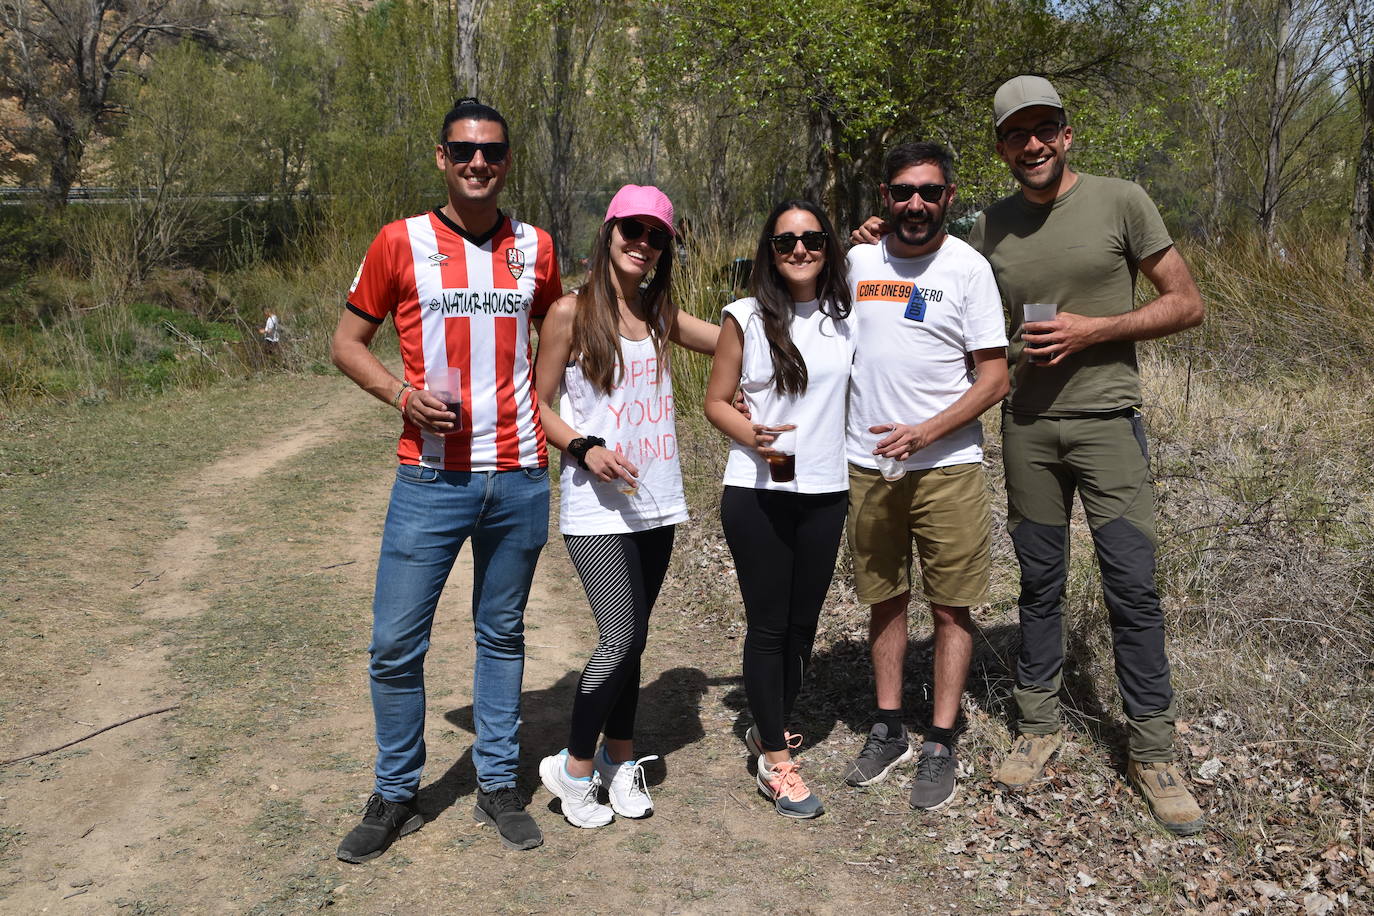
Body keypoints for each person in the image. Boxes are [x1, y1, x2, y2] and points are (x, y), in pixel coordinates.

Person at [855, 76, 1207, 833]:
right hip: (1026, 426)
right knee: (1039, 582)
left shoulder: (1121, 200)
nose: (1033, 144)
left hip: (1108, 422)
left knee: (1132, 584)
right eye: (1017, 134)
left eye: (1045, 128)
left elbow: (1188, 303)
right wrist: (870, 240)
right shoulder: (991, 225)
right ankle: (1038, 727)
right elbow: (928, 257)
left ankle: (1152, 748)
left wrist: (1093, 330)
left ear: (1067, 133)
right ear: (1001, 147)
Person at [330, 97, 562, 861]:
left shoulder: (538, 246)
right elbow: (346, 342)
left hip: (521, 477)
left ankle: (497, 783)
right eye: (463, 151)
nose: (477, 164)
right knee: (395, 646)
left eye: (491, 151)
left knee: (501, 635)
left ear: (507, 159)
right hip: (430, 483)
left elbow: (559, 331)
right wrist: (399, 394)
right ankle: (396, 792)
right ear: (441, 157)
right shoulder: (400, 242)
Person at [532, 185, 717, 828]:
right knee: (623, 636)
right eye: (631, 230)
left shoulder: (662, 313)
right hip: (596, 508)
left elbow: (733, 341)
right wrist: (583, 447)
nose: (642, 243)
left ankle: (619, 759)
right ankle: (573, 769)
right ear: (609, 232)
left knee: (633, 645)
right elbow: (536, 405)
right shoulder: (569, 314)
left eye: (656, 235)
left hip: (656, 502)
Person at [839, 141, 1009, 812]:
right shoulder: (856, 261)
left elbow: (995, 375)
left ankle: (939, 739)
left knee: (949, 605)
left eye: (929, 192)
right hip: (868, 462)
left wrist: (926, 431)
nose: (916, 204)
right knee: (885, 598)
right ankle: (888, 728)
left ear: (950, 196)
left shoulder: (969, 269)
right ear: (884, 195)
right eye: (903, 191)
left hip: (947, 465)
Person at [704, 200, 854, 818]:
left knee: (802, 627)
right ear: (770, 249)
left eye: (813, 239)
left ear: (828, 246)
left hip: (826, 490)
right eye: (787, 240)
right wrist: (752, 437)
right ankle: (775, 759)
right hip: (758, 493)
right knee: (769, 626)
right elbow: (716, 401)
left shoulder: (848, 318)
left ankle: (768, 723)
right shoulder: (744, 318)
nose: (799, 249)